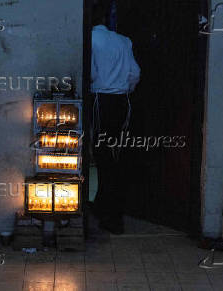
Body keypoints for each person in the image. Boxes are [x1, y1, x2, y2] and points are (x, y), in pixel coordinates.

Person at [91, 3, 141, 234]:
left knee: (102, 157)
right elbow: (135, 73)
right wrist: (124, 87)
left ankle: (109, 214)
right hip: (123, 101)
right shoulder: (124, 40)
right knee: (116, 155)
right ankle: (108, 207)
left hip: (101, 100)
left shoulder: (91, 38)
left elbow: (90, 73)